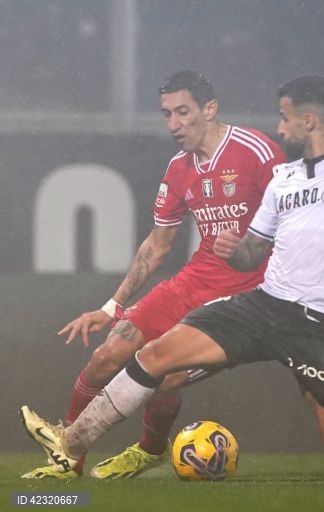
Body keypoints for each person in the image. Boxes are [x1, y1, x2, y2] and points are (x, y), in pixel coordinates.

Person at [20, 74, 324, 484]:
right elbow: (253, 250)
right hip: (261, 303)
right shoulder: (285, 179)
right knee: (153, 356)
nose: (279, 126)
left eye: (285, 117)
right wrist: (236, 248)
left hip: (318, 323)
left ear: (307, 121)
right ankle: (71, 443)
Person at [21, 70, 285, 480]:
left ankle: (150, 450)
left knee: (161, 377)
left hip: (246, 298)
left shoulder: (256, 151)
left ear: (209, 109)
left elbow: (295, 220)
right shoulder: (180, 167)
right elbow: (157, 245)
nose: (174, 124)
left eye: (183, 112)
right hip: (194, 282)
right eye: (166, 114)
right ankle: (68, 457)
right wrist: (112, 307)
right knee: (107, 354)